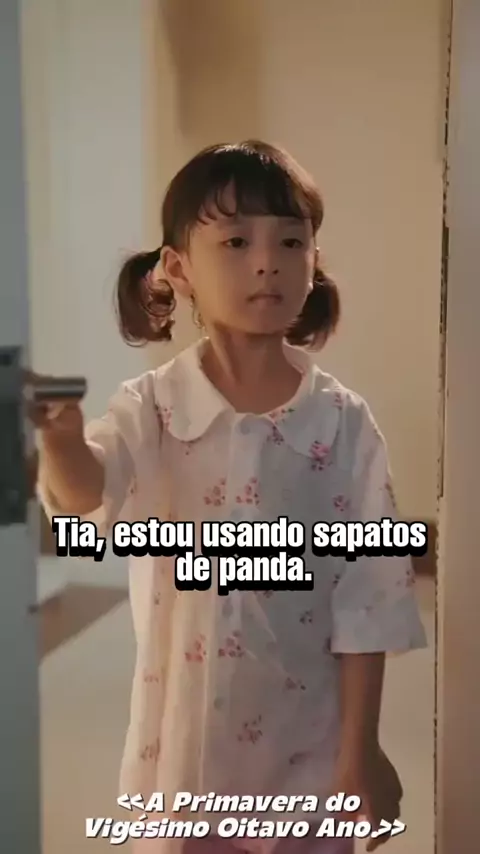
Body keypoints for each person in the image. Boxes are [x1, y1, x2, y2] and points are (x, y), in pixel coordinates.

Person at [33, 140, 426, 854]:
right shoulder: (151, 408)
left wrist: (361, 751)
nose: (267, 260)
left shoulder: (342, 423)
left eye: (290, 241)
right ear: (179, 268)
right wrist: (60, 442)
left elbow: (369, 596)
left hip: (310, 754)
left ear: (313, 261)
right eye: (237, 241)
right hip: (183, 756)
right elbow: (87, 496)